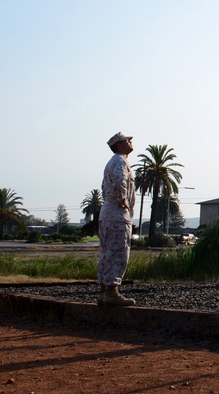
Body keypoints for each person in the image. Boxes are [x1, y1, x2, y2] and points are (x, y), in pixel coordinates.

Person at [98, 132, 137, 308]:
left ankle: (105, 291)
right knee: (119, 251)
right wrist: (123, 199)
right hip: (117, 214)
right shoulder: (120, 161)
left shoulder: (113, 161)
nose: (130, 142)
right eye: (127, 140)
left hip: (108, 212)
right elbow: (120, 180)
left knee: (107, 252)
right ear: (119, 145)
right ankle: (112, 292)